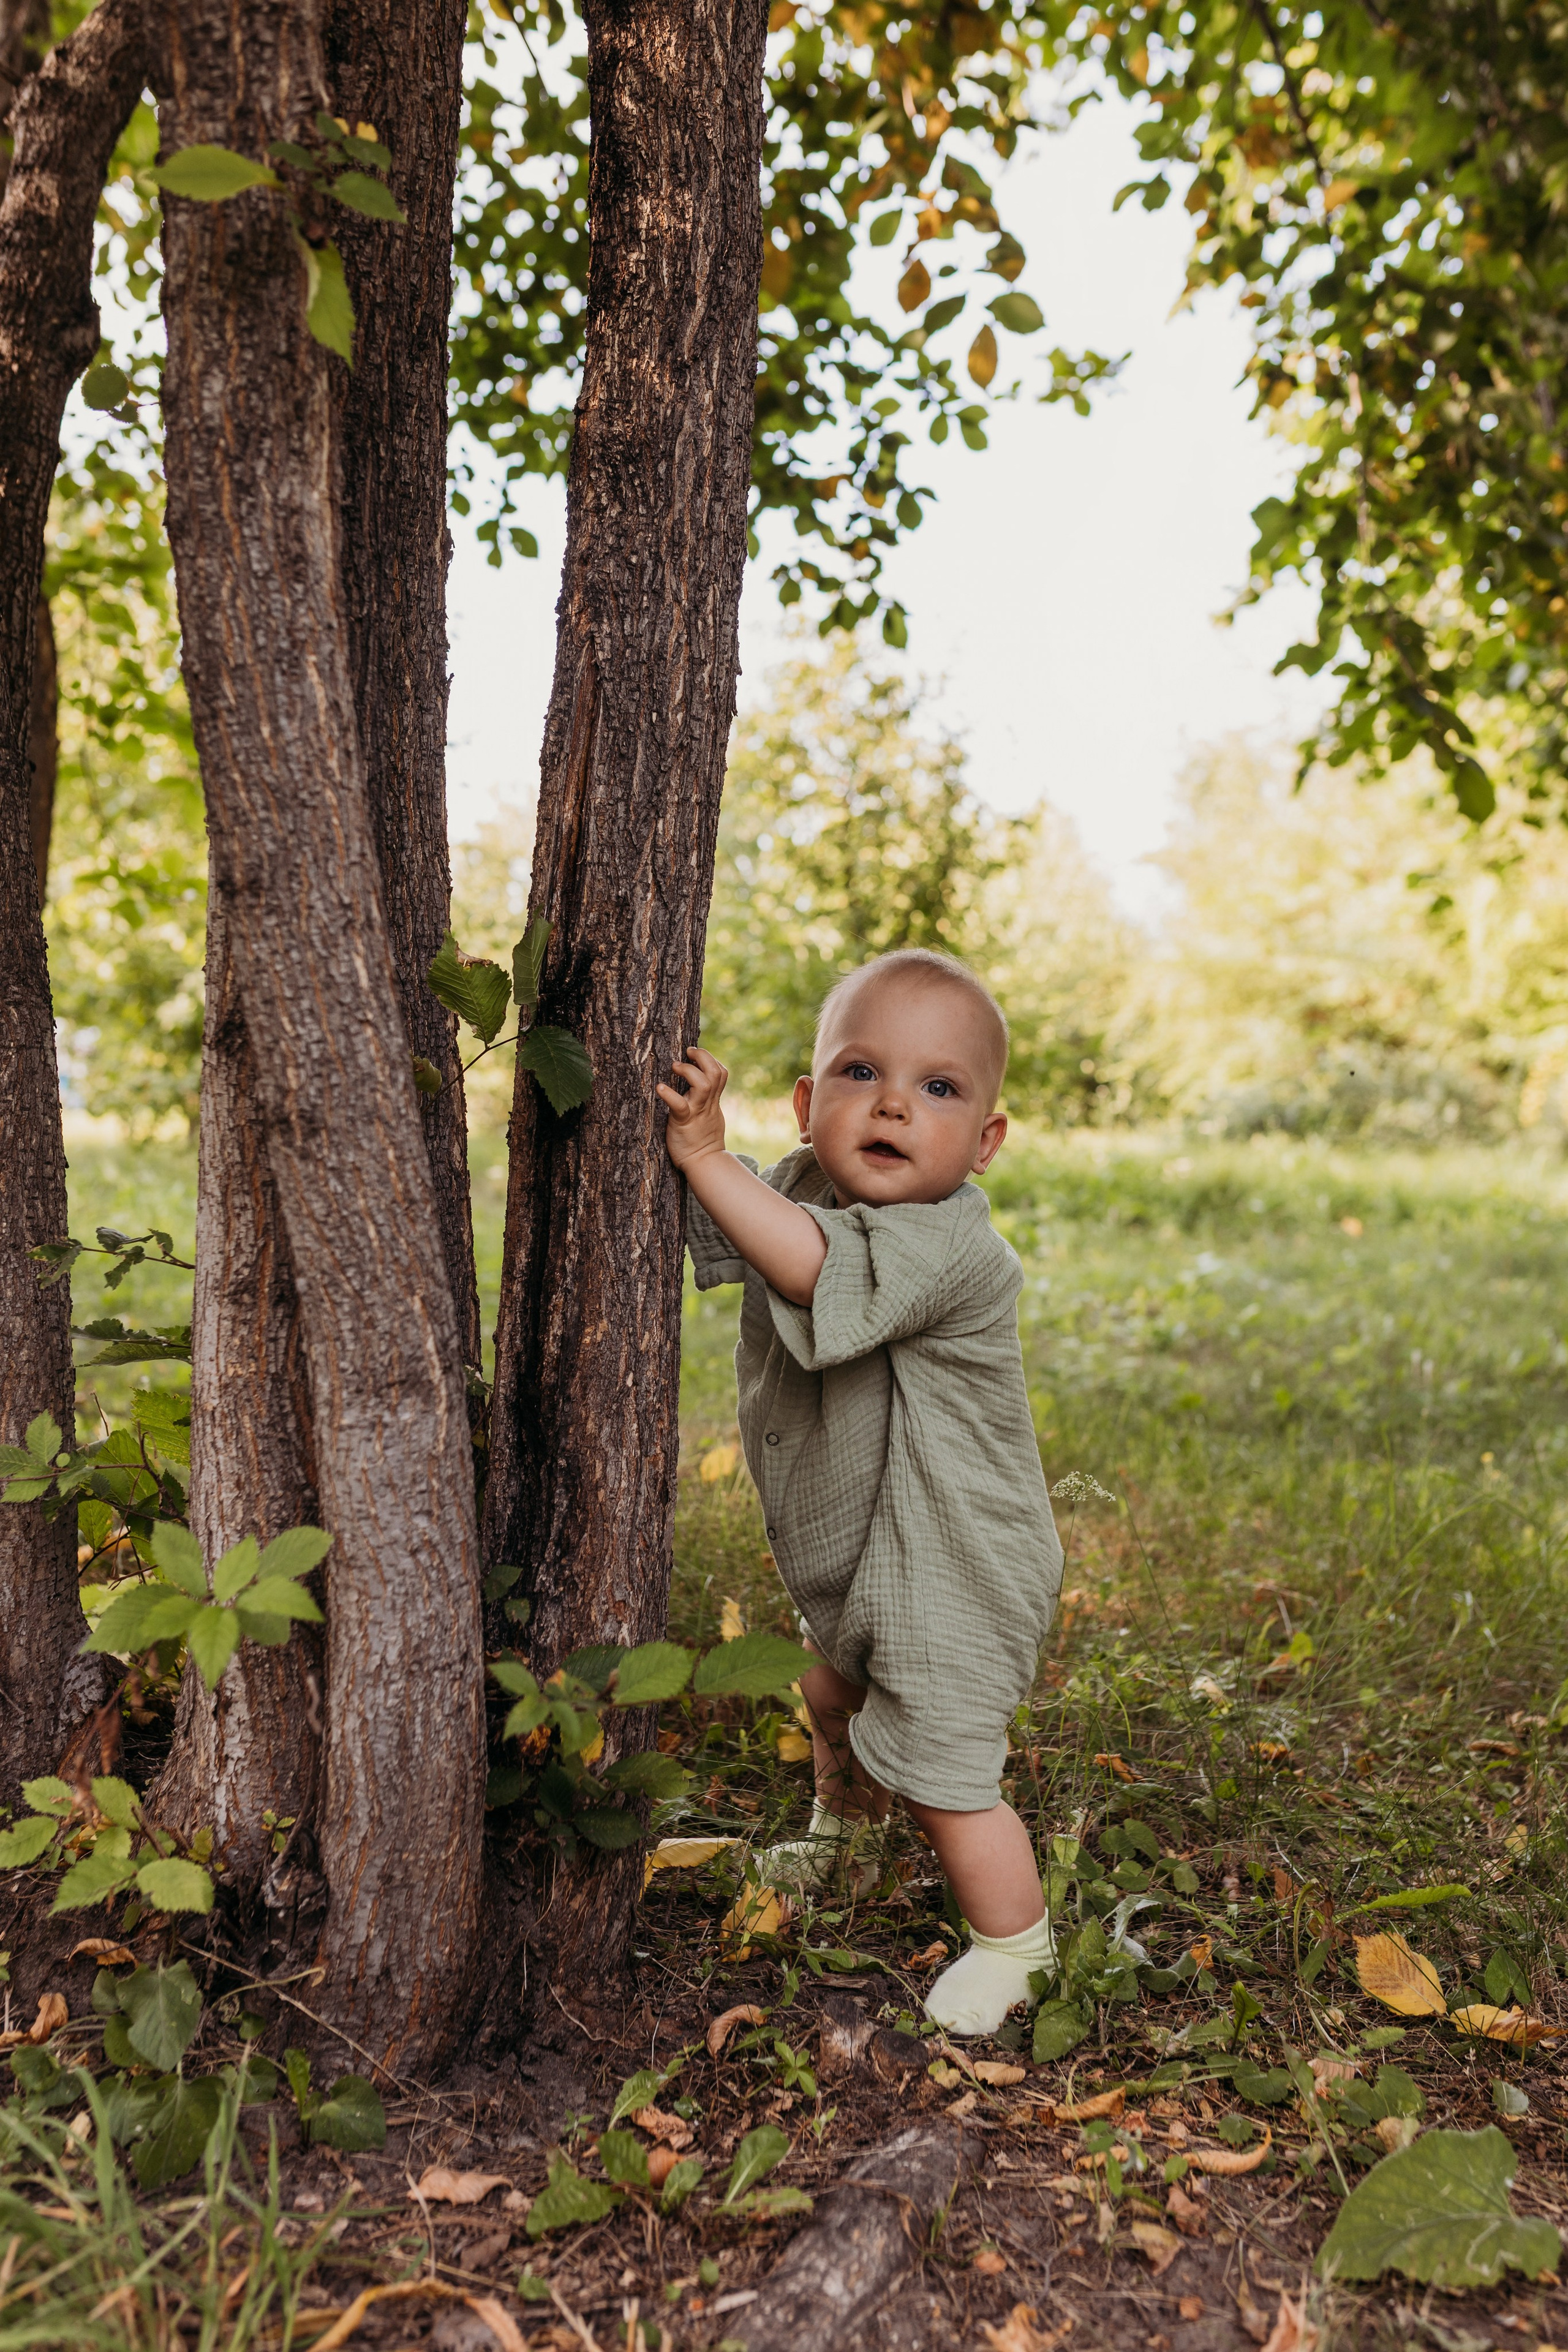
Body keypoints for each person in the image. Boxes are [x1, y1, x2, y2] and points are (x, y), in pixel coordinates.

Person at [657, 947, 1063, 2035]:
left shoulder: (954, 1244)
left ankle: (1016, 1943)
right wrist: (700, 1158)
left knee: (944, 1767)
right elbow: (757, 1215)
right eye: (858, 1072)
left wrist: (701, 1154)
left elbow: (810, 1267)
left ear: (984, 1143)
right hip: (880, 1545)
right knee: (831, 1689)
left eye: (938, 1088)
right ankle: (844, 1832)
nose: (892, 1104)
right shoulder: (800, 1188)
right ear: (806, 1104)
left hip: (961, 1563)